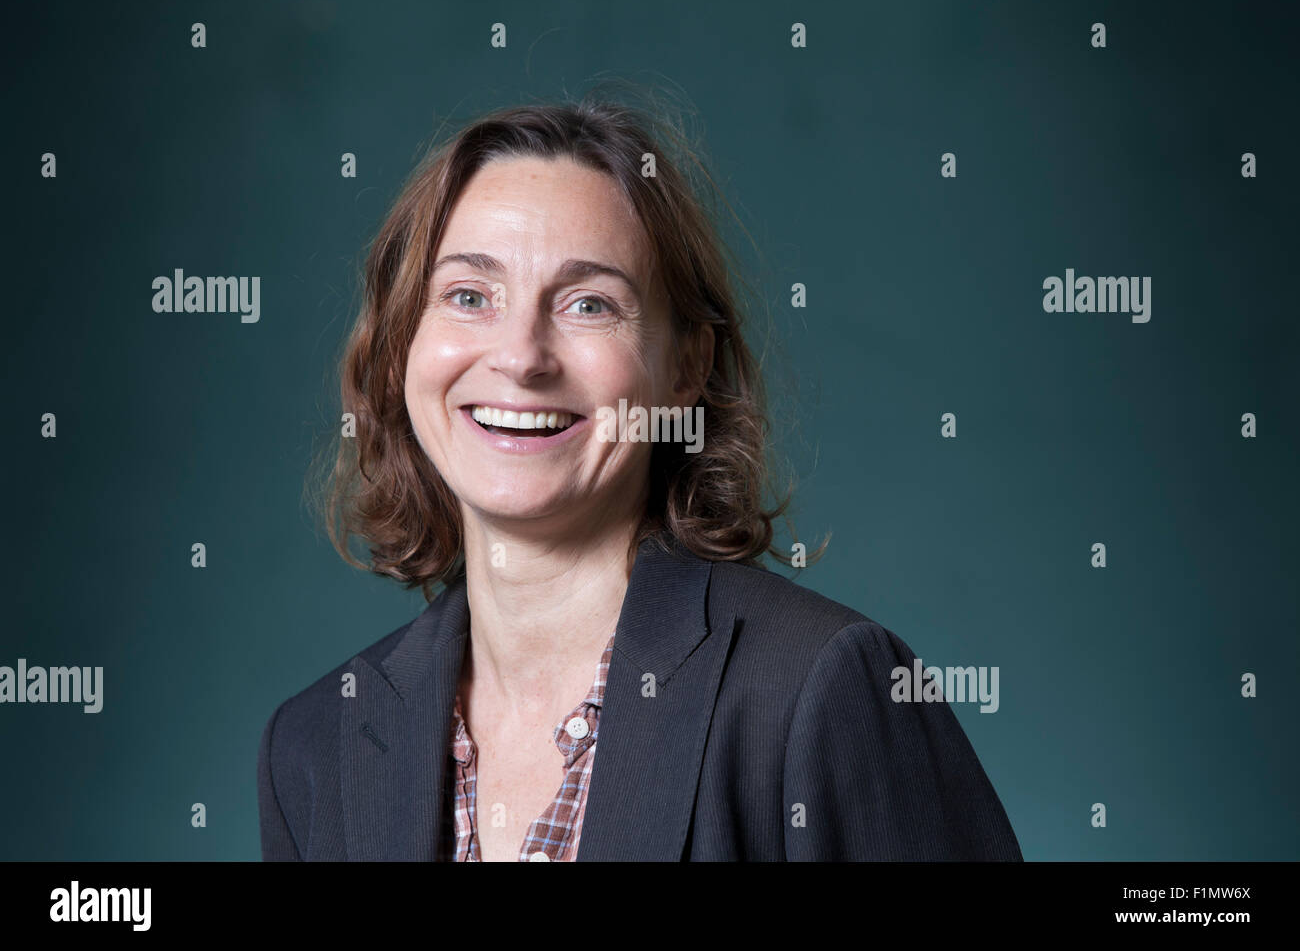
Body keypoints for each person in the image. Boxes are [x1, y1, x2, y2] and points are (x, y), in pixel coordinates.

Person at [257, 96, 1022, 861]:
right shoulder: (316, 749)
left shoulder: (821, 690)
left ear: (686, 367)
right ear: (401, 348)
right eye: (469, 296)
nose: (522, 357)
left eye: (590, 304)